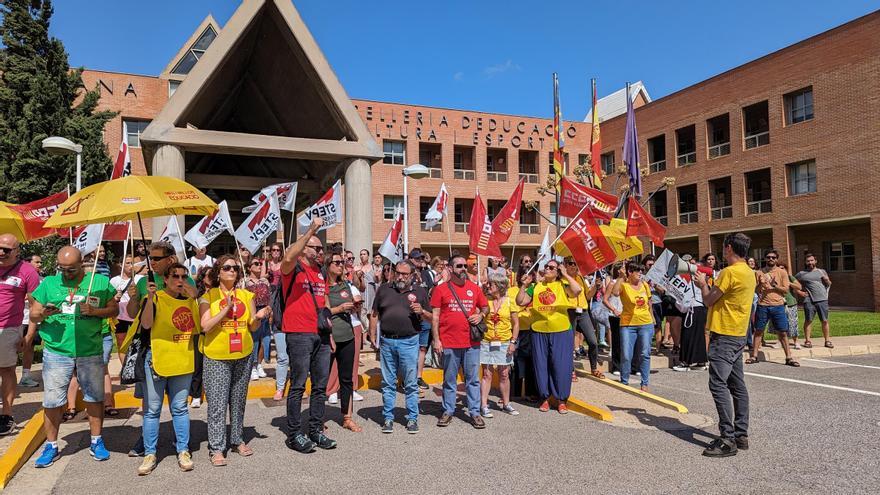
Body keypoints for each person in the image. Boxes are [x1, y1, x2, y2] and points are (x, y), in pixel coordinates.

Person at [30, 246, 118, 467]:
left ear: (82, 264)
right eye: (62, 268)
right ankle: (51, 445)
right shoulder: (49, 283)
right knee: (52, 400)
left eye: (71, 269)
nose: (66, 273)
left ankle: (96, 441)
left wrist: (95, 312)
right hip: (57, 351)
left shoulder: (98, 282)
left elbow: (114, 309)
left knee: (94, 397)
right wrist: (43, 313)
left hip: (90, 350)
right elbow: (34, 314)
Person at [199, 255, 270, 466]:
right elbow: (205, 326)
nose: (232, 270)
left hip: (243, 354)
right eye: (227, 267)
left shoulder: (247, 295)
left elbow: (252, 326)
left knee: (238, 402)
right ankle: (216, 447)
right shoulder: (208, 296)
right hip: (217, 356)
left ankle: (237, 439)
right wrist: (225, 308)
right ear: (218, 272)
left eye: (235, 268)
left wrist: (259, 317)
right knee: (218, 404)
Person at [693, 232, 756, 457]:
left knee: (718, 384)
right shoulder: (749, 272)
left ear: (729, 248)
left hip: (724, 334)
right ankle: (741, 434)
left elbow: (708, 300)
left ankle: (727, 439)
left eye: (724, 247)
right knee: (737, 385)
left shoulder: (729, 272)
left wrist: (702, 284)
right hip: (738, 334)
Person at [134, 262, 199, 474]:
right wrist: (150, 298)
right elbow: (146, 325)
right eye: (175, 276)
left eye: (183, 276)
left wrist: (195, 299)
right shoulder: (155, 298)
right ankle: (150, 453)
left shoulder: (190, 300)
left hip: (182, 360)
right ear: (165, 279)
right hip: (157, 360)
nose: (179, 280)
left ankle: (183, 450)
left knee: (179, 408)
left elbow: (199, 327)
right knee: (152, 410)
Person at [280, 217, 337, 453]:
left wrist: (329, 330)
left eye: (322, 249)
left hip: (320, 335)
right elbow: (287, 257)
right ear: (304, 248)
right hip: (299, 334)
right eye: (317, 248)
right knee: (298, 385)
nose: (321, 252)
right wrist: (311, 230)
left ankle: (315, 430)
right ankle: (294, 434)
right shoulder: (293, 269)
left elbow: (323, 301)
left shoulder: (320, 272)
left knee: (320, 386)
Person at [370, 261, 431, 433]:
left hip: (409, 342)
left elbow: (431, 317)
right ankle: (388, 418)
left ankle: (412, 418)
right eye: (398, 273)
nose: (400, 277)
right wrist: (372, 334)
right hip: (387, 342)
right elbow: (374, 314)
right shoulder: (384, 289)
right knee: (388, 382)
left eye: (405, 274)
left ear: (412, 275)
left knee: (410, 383)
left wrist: (422, 312)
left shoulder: (420, 292)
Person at [516, 259, 581, 413]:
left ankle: (561, 400)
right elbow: (520, 301)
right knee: (541, 365)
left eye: (551, 267)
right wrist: (524, 286)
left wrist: (565, 274)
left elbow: (577, 290)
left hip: (561, 330)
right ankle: (544, 398)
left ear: (557, 271)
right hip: (539, 330)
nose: (547, 269)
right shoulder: (535, 286)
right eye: (546, 266)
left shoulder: (563, 285)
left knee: (561, 366)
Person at [432, 255, 488, 427]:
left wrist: (481, 315)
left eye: (465, 265)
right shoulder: (441, 289)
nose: (463, 268)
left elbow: (485, 306)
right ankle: (448, 411)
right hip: (449, 342)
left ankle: (475, 412)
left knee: (473, 379)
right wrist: (436, 340)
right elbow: (435, 317)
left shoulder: (474, 288)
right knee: (449, 380)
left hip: (472, 342)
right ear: (450, 268)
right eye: (459, 266)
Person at [0, 234, 41, 434]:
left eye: (6, 250)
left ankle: (6, 415)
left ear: (17, 251)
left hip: (9, 328)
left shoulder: (27, 271)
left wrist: (29, 335)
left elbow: (35, 306)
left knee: (6, 369)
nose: (1, 252)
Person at [323, 252, 362, 432]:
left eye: (342, 262)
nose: (341, 265)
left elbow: (351, 306)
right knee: (321, 380)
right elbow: (321, 312)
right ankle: (318, 418)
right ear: (328, 265)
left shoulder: (345, 284)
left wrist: (354, 307)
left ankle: (347, 417)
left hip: (347, 335)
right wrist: (339, 308)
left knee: (347, 379)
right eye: (337, 262)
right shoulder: (323, 287)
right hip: (328, 337)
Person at [748, 250, 799, 366]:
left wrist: (774, 285)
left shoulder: (782, 272)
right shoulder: (759, 272)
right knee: (758, 331)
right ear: (765, 258)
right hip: (762, 305)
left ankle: (789, 357)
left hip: (778, 306)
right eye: (768, 257)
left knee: (783, 332)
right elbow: (755, 290)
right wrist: (760, 283)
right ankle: (754, 356)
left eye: (773, 257)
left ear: (776, 259)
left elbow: (786, 290)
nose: (771, 259)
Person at [609, 262, 654, 391]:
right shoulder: (624, 285)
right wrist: (620, 277)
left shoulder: (644, 285)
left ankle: (644, 383)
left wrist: (652, 318)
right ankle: (624, 381)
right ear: (630, 272)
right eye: (637, 271)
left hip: (645, 323)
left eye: (641, 271)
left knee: (645, 353)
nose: (640, 273)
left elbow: (649, 302)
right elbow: (615, 292)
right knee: (626, 354)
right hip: (628, 324)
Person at [479, 275, 520, 417]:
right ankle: (484, 405)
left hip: (504, 342)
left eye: (491, 284)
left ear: (499, 286)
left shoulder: (510, 301)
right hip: (487, 341)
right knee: (487, 374)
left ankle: (506, 404)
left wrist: (513, 342)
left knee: (504, 374)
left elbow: (516, 324)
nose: (489, 286)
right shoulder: (486, 300)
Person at [564, 257, 603, 378]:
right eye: (571, 263)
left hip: (583, 311)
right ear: (565, 265)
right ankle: (570, 369)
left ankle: (594, 368)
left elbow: (588, 296)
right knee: (569, 343)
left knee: (593, 341)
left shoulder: (580, 278)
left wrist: (596, 287)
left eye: (576, 264)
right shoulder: (562, 279)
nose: (573, 266)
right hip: (569, 311)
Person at [509, 266, 537, 401]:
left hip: (532, 329)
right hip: (517, 330)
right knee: (515, 361)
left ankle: (531, 392)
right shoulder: (512, 290)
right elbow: (515, 306)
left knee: (530, 362)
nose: (528, 275)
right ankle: (515, 392)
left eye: (531, 272)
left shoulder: (536, 288)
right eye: (525, 265)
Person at [110, 254, 144, 365]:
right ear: (121, 265)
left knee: (138, 340)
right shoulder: (115, 280)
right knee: (121, 341)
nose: (131, 266)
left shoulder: (140, 279)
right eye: (128, 263)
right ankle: (124, 367)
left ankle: (136, 365)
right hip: (120, 313)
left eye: (132, 263)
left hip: (135, 311)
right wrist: (116, 297)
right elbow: (110, 298)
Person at [795, 253, 833, 349]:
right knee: (808, 320)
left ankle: (827, 341)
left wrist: (827, 280)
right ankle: (807, 341)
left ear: (815, 261)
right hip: (809, 300)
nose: (810, 262)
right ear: (805, 262)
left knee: (824, 320)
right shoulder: (801, 274)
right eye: (808, 261)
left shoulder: (822, 271)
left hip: (822, 299)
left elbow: (829, 284)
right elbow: (792, 283)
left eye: (812, 260)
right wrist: (800, 292)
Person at [245, 258, 271, 380]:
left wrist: (270, 311)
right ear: (249, 267)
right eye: (256, 264)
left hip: (264, 311)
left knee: (265, 339)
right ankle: (253, 366)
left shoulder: (265, 281)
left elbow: (270, 295)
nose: (259, 266)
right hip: (253, 312)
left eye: (260, 264)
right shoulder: (245, 281)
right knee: (254, 340)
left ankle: (259, 364)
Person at [191, 266, 213, 408]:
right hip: (198, 332)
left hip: (213, 332)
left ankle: (212, 393)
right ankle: (196, 395)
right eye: (208, 275)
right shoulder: (196, 294)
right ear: (202, 277)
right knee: (197, 365)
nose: (211, 277)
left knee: (212, 366)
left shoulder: (218, 292)